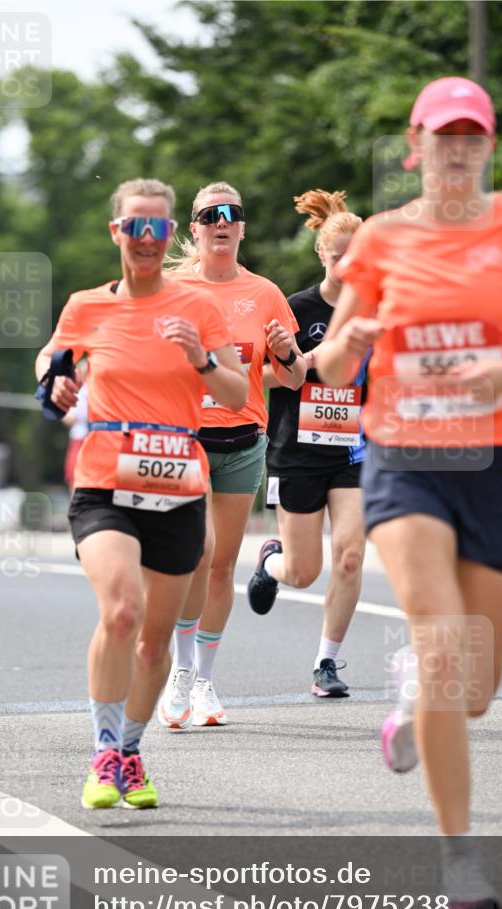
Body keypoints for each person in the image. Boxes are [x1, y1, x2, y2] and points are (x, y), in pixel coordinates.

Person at [316, 77, 502, 909]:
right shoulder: (382, 240)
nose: (455, 150)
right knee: (438, 641)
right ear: (414, 149)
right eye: (440, 136)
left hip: (500, 466)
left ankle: (414, 700)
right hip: (407, 458)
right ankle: (459, 860)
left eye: (470, 136)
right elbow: (330, 370)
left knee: (475, 689)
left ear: (486, 147)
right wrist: (345, 341)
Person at [34, 178, 246, 809]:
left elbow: (237, 393)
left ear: (170, 232)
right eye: (136, 226)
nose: (147, 239)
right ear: (118, 232)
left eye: (158, 227)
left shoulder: (199, 310)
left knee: (155, 642)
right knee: (121, 612)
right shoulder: (87, 307)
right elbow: (51, 360)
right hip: (105, 483)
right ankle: (102, 752)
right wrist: (57, 384)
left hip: (180, 485)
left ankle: (129, 750)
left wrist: (203, 362)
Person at [157, 181, 306, 729]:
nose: (221, 221)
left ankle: (204, 683)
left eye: (232, 214)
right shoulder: (170, 288)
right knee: (200, 552)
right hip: (186, 438)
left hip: (245, 441)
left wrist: (288, 351)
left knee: (221, 568)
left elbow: (295, 375)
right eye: (209, 215)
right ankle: (180, 667)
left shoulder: (266, 294)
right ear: (194, 228)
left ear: (242, 226)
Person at [247, 189, 368, 699]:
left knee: (350, 555)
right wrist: (308, 360)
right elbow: (266, 378)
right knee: (303, 571)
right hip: (296, 450)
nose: (349, 263)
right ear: (322, 254)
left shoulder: (376, 311)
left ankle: (326, 663)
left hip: (354, 451)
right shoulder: (296, 308)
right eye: (338, 254)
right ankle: (270, 562)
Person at [63, 378, 88, 494]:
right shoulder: (77, 392)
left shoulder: (94, 391)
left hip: (91, 438)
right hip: (78, 437)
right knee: (73, 475)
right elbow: (68, 418)